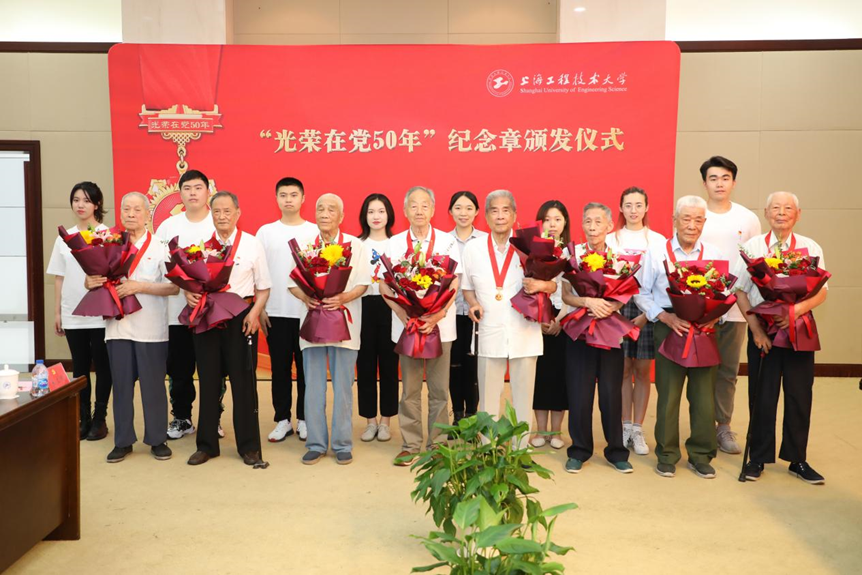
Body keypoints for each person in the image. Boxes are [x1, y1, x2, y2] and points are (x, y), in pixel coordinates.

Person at [735, 192, 828, 485]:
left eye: (788, 208)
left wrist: (793, 311)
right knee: (762, 394)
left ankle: (797, 459)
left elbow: (822, 292)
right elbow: (739, 291)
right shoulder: (752, 247)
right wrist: (756, 330)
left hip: (799, 328)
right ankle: (758, 458)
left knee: (800, 394)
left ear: (798, 214)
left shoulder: (810, 247)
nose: (781, 213)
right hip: (765, 332)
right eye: (775, 208)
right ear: (766, 213)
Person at [84, 192, 177, 463]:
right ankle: (123, 441)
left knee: (153, 387)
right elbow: (93, 280)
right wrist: (89, 282)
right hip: (118, 327)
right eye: (126, 209)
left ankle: (157, 439)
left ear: (148, 214)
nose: (131, 214)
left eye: (137, 209)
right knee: (122, 386)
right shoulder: (108, 243)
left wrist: (139, 286)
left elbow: (173, 287)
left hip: (152, 328)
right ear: (121, 212)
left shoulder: (161, 247)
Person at [634, 195, 721, 479]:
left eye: (698, 220)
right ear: (674, 220)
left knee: (704, 395)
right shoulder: (656, 252)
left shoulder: (714, 253)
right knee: (669, 394)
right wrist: (664, 317)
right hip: (669, 325)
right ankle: (667, 454)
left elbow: (723, 292)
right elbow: (640, 292)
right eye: (686, 218)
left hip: (705, 328)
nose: (692, 225)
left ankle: (701, 454)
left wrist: (714, 316)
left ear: (704, 223)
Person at [461, 190, 554, 448]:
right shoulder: (473, 248)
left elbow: (553, 286)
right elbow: (467, 287)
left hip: (524, 331)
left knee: (523, 396)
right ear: (486, 216)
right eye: (494, 211)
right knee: (488, 396)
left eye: (505, 210)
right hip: (489, 330)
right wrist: (473, 303)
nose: (500, 216)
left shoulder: (530, 247)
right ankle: (487, 448)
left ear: (514, 215)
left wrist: (540, 285)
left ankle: (519, 449)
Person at [186, 191, 271, 467]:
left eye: (227, 211)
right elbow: (189, 282)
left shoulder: (252, 244)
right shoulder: (200, 245)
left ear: (238, 213)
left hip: (241, 318)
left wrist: (254, 314)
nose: (222, 216)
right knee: (209, 381)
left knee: (243, 383)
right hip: (208, 317)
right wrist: (188, 293)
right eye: (217, 211)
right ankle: (206, 445)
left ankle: (249, 447)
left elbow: (264, 288)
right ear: (211, 214)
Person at [288, 194, 370, 466]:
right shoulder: (305, 246)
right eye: (320, 209)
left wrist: (343, 297)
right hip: (312, 323)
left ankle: (342, 444)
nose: (324, 213)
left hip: (345, 324)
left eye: (331, 209)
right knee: (313, 387)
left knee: (343, 387)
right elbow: (292, 283)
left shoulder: (355, 245)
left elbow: (363, 283)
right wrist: (305, 297)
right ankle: (315, 443)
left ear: (341, 216)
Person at [381, 186, 459, 467]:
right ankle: (410, 445)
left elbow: (455, 282)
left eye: (425, 205)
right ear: (405, 211)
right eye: (413, 206)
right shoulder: (394, 243)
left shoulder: (447, 242)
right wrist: (402, 313)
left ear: (433, 209)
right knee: (410, 390)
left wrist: (439, 314)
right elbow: (383, 285)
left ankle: (438, 445)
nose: (419, 211)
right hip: (408, 327)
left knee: (439, 390)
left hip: (440, 327)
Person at [561, 203, 632, 474]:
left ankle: (616, 451)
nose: (592, 227)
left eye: (598, 222)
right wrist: (588, 302)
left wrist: (609, 306)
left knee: (611, 394)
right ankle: (579, 450)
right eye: (588, 221)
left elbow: (625, 293)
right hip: (580, 332)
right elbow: (566, 295)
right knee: (579, 393)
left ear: (609, 226)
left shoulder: (619, 258)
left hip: (610, 330)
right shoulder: (573, 256)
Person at [699, 156, 761, 454]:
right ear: (704, 183)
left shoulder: (747, 219)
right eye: (713, 178)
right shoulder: (696, 214)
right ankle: (701, 426)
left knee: (727, 369)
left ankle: (723, 425)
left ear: (733, 182)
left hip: (736, 306)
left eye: (725, 178)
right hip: (700, 308)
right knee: (700, 370)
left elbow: (756, 262)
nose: (719, 184)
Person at [154, 169, 221, 440]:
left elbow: (227, 264)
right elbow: (161, 265)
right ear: (180, 193)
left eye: (198, 187)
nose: (193, 193)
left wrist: (204, 290)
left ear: (208, 192)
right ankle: (181, 417)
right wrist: (185, 288)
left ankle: (213, 418)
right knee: (179, 369)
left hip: (212, 312)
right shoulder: (168, 227)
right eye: (187, 188)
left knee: (212, 369)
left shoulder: (218, 222)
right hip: (177, 313)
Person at [46, 181, 114, 440]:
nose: (80, 205)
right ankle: (83, 417)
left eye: (86, 200)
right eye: (76, 200)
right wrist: (57, 312)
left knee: (103, 366)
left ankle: (99, 418)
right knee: (80, 367)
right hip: (72, 311)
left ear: (97, 204)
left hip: (100, 312)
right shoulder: (64, 237)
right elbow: (59, 277)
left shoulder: (109, 236)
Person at [257, 177, 318, 443]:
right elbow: (258, 273)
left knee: (307, 370)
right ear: (276, 199)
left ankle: (304, 419)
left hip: (308, 312)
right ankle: (282, 420)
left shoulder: (314, 231)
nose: (289, 199)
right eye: (283, 195)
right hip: (275, 311)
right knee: (280, 369)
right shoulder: (265, 232)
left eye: (294, 195)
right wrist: (259, 307)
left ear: (303, 198)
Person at [606, 187, 666, 456]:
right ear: (620, 208)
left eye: (638, 205)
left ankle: (638, 429)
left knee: (642, 371)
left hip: (648, 309)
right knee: (622, 369)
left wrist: (645, 315)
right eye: (628, 205)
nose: (633, 210)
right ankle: (624, 426)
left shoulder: (658, 241)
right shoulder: (611, 240)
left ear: (647, 207)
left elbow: (661, 282)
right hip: (617, 308)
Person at [356, 193, 399, 443]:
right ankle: (370, 421)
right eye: (371, 211)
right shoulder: (356, 244)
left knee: (390, 366)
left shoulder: (397, 244)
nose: (376, 216)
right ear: (364, 215)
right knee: (365, 366)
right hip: (363, 306)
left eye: (381, 211)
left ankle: (385, 421)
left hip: (391, 307)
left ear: (389, 215)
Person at [530, 200, 570, 450]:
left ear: (565, 222)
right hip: (537, 319)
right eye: (547, 219)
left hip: (563, 319)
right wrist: (540, 318)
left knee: (559, 375)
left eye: (557, 219)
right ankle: (540, 429)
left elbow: (573, 289)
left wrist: (561, 320)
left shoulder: (572, 253)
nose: (552, 224)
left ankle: (556, 431)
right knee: (540, 375)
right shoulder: (532, 253)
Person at [447, 191, 486, 424]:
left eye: (469, 208)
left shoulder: (485, 240)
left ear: (477, 212)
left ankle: (472, 416)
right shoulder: (443, 241)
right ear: (450, 211)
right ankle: (457, 414)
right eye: (458, 208)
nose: (464, 213)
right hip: (449, 313)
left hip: (477, 313)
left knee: (473, 367)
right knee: (454, 365)